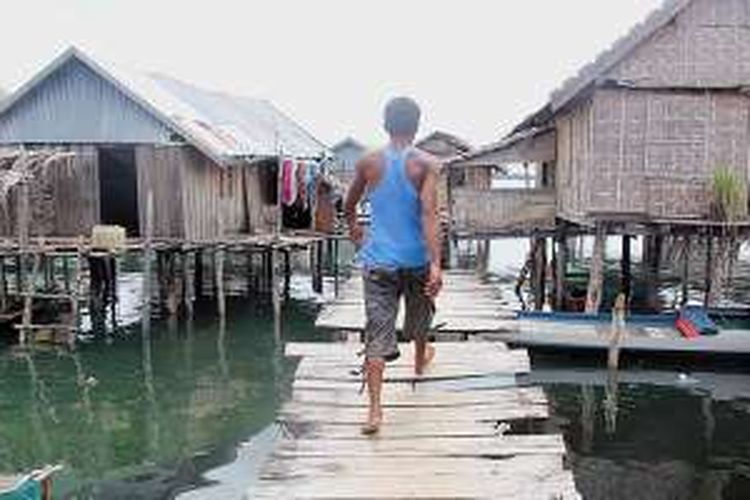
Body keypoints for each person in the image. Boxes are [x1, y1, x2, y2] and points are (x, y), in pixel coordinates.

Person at [344, 97, 443, 435]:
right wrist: (436, 264)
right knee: (420, 313)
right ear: (417, 126)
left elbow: (350, 201)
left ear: (385, 124)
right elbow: (430, 215)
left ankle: (374, 411)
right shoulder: (427, 164)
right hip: (415, 260)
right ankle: (419, 360)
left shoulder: (368, 161)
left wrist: (353, 226)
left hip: (378, 262)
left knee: (377, 331)